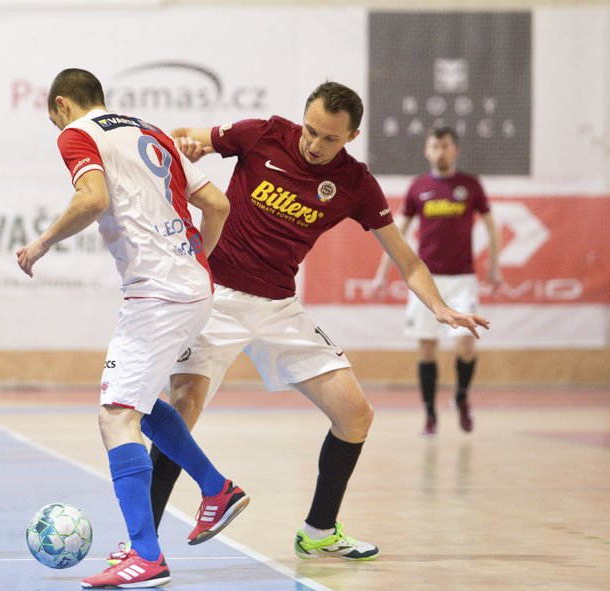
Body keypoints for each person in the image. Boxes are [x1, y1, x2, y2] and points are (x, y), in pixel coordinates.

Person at [147, 82, 490, 562]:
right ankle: (142, 546)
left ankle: (319, 531)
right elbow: (183, 135)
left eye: (330, 138)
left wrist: (439, 306)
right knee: (180, 412)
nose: (314, 143)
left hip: (280, 308)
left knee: (356, 415)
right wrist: (185, 143)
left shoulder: (355, 183)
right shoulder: (261, 135)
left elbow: (407, 260)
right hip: (217, 297)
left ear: (350, 136)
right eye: (310, 130)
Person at [17, 68, 245, 589]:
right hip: (190, 285)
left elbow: (93, 198)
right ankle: (217, 489)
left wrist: (42, 243)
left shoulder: (77, 134)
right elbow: (218, 204)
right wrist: (197, 259)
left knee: (115, 417)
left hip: (158, 292)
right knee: (137, 402)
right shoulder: (153, 130)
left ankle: (146, 555)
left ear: (61, 106)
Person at [373, 127, 500, 436]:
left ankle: (461, 397)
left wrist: (494, 268)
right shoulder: (418, 187)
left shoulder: (470, 186)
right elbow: (397, 233)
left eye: (445, 146)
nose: (440, 151)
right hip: (426, 281)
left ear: (455, 150)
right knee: (427, 347)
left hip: (462, 280)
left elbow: (492, 229)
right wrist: (381, 273)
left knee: (467, 344)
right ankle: (430, 415)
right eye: (435, 146)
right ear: (426, 151)